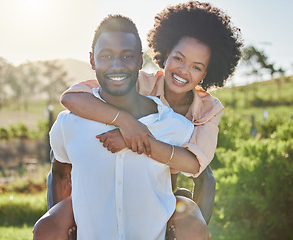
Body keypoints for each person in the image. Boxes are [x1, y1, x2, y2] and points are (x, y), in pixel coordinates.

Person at [59, 0, 242, 225]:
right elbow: (72, 98)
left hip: (172, 169)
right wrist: (125, 121)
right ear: (165, 54)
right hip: (131, 171)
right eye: (178, 58)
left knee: (205, 180)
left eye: (196, 67)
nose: (183, 71)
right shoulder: (139, 82)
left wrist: (137, 139)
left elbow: (195, 164)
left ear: (206, 73)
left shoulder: (209, 109)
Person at [34, 14, 210, 240]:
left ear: (139, 60)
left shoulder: (175, 126)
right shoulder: (68, 124)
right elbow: (60, 172)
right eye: (106, 56)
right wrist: (64, 218)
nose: (116, 66)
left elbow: (188, 179)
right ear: (92, 60)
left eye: (127, 56)